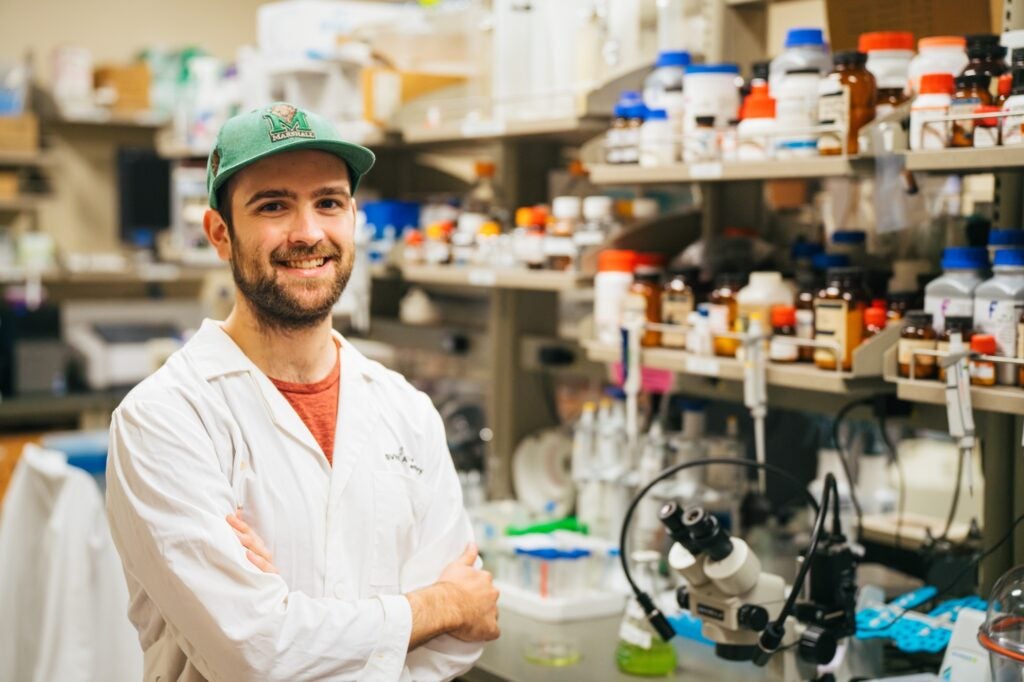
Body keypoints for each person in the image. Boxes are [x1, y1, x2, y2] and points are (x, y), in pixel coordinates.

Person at [106, 102, 499, 681]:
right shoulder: (163, 419)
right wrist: (436, 606)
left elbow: (456, 648)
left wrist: (296, 624)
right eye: (273, 205)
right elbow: (254, 654)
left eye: (330, 202)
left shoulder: (406, 411)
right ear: (221, 233)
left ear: (354, 217)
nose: (309, 233)